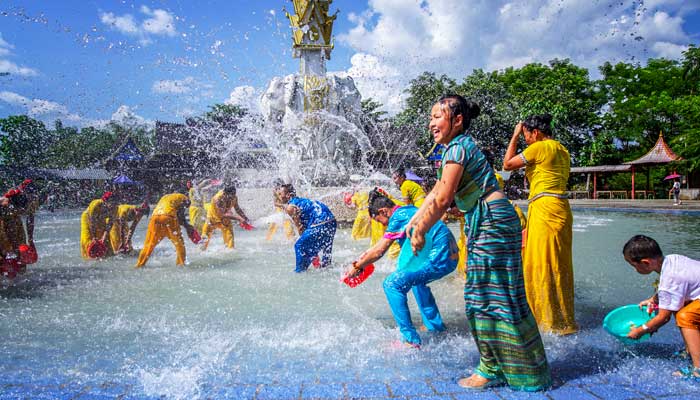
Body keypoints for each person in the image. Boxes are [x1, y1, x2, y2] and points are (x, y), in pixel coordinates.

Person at [408, 94, 550, 391]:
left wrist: (421, 230)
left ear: (457, 120)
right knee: (501, 296)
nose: (431, 122)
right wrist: (415, 220)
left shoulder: (457, 148)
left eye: (438, 116)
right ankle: (523, 369)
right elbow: (437, 190)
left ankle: (492, 367)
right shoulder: (455, 148)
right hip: (493, 219)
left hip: (491, 221)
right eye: (431, 117)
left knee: (481, 298)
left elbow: (445, 199)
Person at [347, 190, 458, 348]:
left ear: (384, 211)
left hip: (439, 258)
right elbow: (379, 247)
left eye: (382, 221)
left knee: (392, 284)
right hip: (450, 256)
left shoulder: (397, 217)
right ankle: (435, 326)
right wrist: (365, 257)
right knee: (416, 281)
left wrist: (357, 267)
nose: (384, 225)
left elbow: (380, 251)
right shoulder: (409, 210)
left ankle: (410, 340)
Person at [502, 114, 577, 335]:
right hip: (560, 208)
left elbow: (507, 165)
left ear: (536, 132)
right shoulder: (562, 149)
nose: (525, 140)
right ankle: (563, 318)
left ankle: (546, 321)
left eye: (526, 135)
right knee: (559, 264)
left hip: (545, 208)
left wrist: (514, 136)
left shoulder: (540, 147)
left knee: (541, 264)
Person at [623, 235, 700, 379]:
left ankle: (698, 369)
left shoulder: (669, 280)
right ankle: (692, 350)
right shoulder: (671, 260)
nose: (634, 270)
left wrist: (640, 330)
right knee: (680, 308)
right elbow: (677, 288)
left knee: (686, 316)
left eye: (634, 265)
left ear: (645, 263)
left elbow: (663, 317)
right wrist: (654, 299)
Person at [275, 183, 336, 273]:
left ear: (288, 195)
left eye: (280, 194)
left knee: (299, 245)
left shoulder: (291, 207)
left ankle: (300, 272)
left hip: (320, 223)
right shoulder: (301, 201)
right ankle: (325, 266)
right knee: (323, 250)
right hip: (331, 221)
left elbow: (300, 229)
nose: (279, 196)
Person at [135, 191, 196, 268]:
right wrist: (187, 226)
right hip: (169, 216)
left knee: (149, 244)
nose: (187, 207)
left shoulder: (165, 197)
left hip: (155, 218)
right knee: (179, 243)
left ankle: (139, 265)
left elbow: (177, 214)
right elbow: (181, 214)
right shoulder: (183, 197)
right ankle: (181, 265)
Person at [200, 184, 251, 251]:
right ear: (224, 194)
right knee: (203, 245)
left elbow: (237, 209)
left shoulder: (234, 197)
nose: (233, 197)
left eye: (234, 195)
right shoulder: (217, 199)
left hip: (225, 222)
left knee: (230, 247)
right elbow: (222, 214)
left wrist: (246, 219)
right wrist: (239, 219)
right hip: (212, 220)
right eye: (231, 196)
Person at [80, 192, 118, 260]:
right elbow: (92, 223)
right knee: (88, 238)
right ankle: (88, 257)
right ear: (104, 201)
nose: (112, 205)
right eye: (111, 203)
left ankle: (108, 254)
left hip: (101, 219)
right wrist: (94, 237)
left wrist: (104, 236)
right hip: (87, 219)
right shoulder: (96, 204)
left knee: (105, 240)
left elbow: (109, 224)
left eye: (114, 203)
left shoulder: (115, 208)